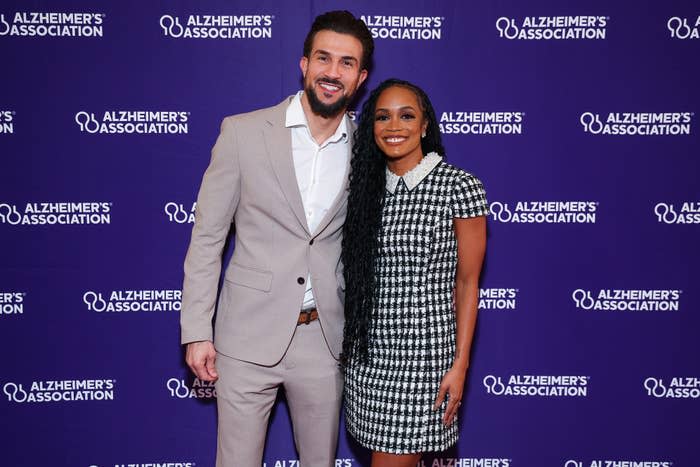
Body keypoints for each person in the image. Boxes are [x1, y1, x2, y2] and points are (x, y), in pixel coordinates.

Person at [180, 11, 373, 467]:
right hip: (245, 337)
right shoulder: (243, 133)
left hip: (325, 340)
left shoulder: (368, 147)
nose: (333, 72)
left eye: (347, 63)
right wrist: (196, 331)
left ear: (361, 78)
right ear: (303, 64)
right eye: (324, 58)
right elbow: (207, 238)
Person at [342, 79, 488, 467]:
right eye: (382, 117)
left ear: (425, 125)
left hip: (423, 359)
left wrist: (460, 365)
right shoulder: (365, 191)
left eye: (407, 116)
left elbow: (468, 283)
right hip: (368, 359)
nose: (394, 126)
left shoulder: (459, 186)